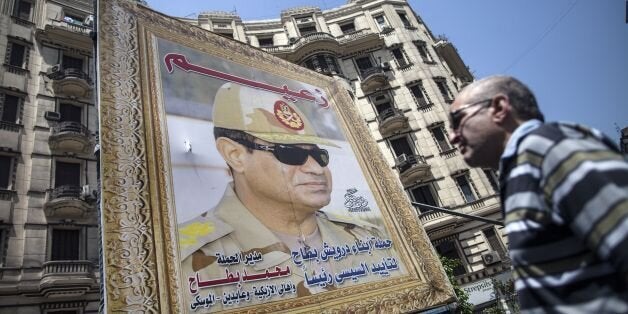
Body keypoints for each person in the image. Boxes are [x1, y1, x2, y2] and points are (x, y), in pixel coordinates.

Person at [177, 83, 403, 311]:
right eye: (290, 152)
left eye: (319, 154)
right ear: (235, 155)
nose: (316, 168)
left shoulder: (366, 236)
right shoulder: (183, 260)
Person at [448, 75, 628, 313]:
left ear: (499, 108)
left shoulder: (546, 147)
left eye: (457, 120)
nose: (452, 137)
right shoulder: (520, 169)